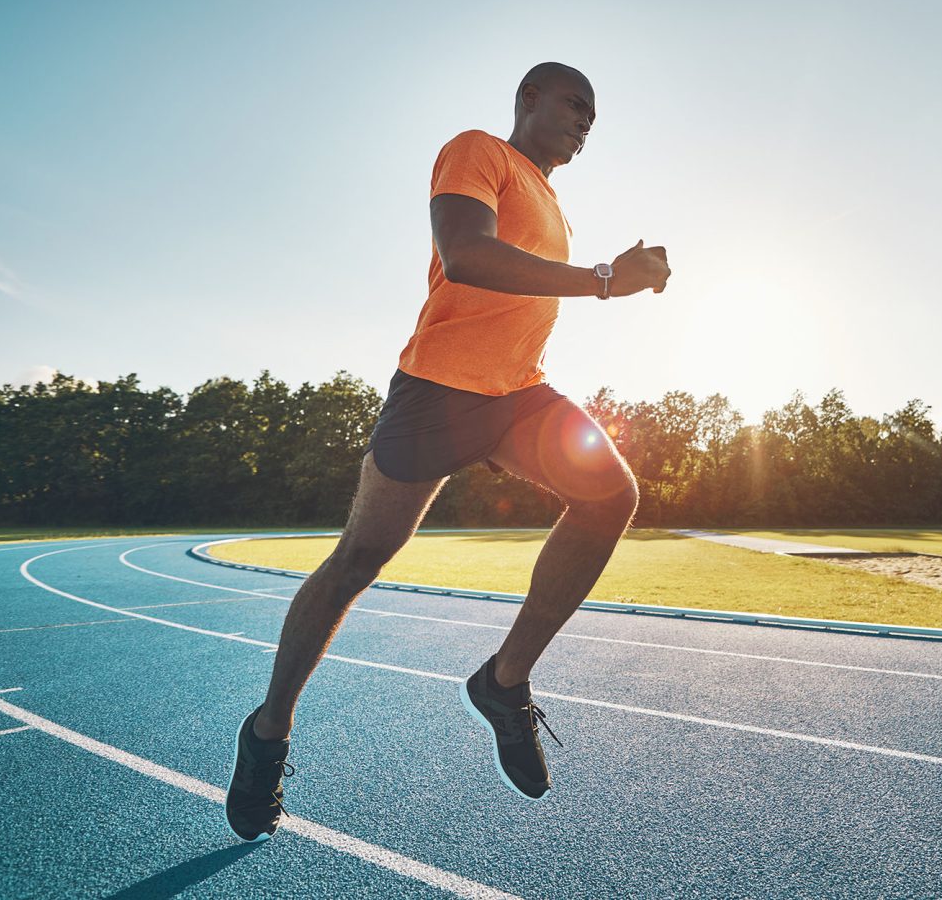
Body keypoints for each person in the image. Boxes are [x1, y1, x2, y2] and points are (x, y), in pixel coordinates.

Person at [225, 62, 671, 841]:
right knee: (357, 561)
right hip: (439, 388)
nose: (586, 120)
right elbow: (467, 254)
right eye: (575, 103)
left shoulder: (554, 203)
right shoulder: (477, 151)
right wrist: (605, 278)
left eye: (596, 115)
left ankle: (504, 683)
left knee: (612, 495)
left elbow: (531, 285)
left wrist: (607, 275)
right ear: (528, 98)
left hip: (518, 394)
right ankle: (267, 733)